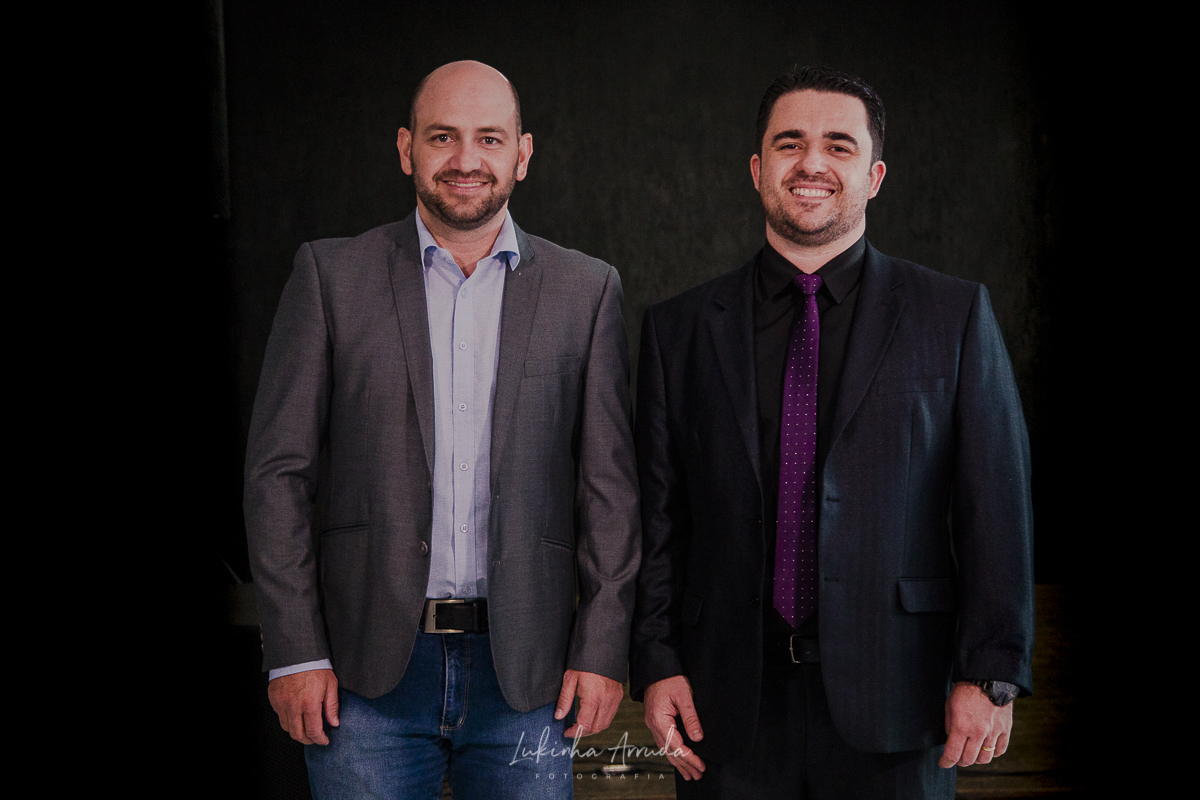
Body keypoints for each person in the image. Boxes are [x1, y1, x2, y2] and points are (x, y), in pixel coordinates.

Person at [629, 66, 1033, 799]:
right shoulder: (678, 330)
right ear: (758, 170)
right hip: (725, 702)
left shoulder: (953, 316)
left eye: (838, 146)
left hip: (902, 696)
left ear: (874, 176)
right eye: (790, 144)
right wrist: (657, 663)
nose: (811, 163)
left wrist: (991, 672)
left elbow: (996, 507)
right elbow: (658, 519)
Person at [244, 60, 640, 800]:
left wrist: (602, 647)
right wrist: (295, 651)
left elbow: (609, 491)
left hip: (529, 674)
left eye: (489, 138)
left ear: (522, 154)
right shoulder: (331, 277)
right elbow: (278, 475)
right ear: (407, 149)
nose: (466, 159)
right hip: (360, 675)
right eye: (442, 137)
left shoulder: (587, 291)